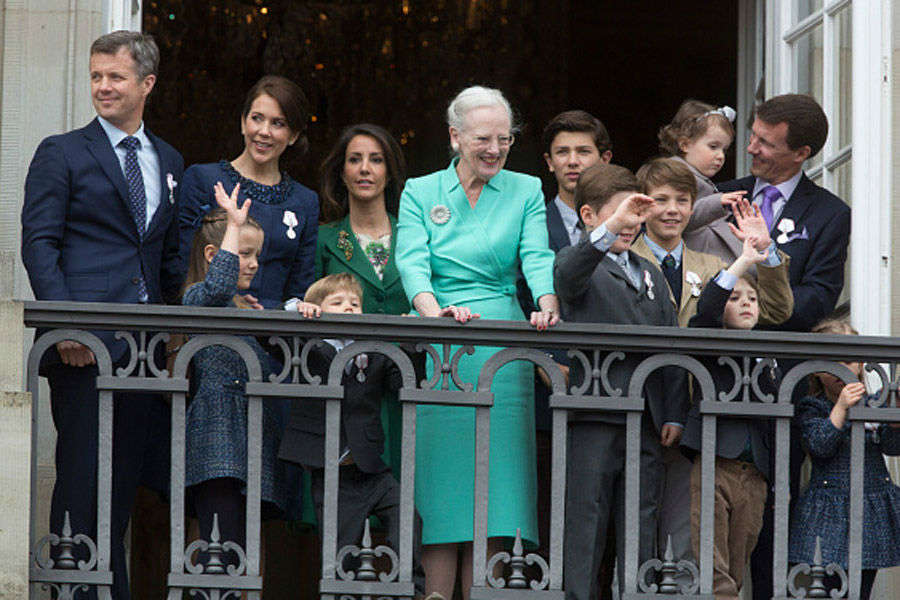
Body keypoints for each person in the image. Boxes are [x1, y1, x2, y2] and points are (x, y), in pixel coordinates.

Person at [21, 31, 183, 599]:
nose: (103, 87)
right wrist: (66, 324)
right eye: (95, 76)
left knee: (122, 489)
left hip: (141, 351)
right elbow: (39, 244)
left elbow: (164, 259)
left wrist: (171, 337)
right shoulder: (61, 152)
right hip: (82, 347)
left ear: (147, 83)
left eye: (115, 76)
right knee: (83, 480)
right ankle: (74, 592)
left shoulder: (169, 159)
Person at [682, 94, 851, 599]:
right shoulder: (720, 196)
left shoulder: (829, 213)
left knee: (767, 522)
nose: (750, 147)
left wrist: (761, 287)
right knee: (699, 527)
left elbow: (819, 299)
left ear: (801, 152)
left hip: (780, 391)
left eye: (765, 142)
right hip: (710, 385)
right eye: (751, 135)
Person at [395, 85, 559, 600]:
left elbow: (536, 256)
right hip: (444, 341)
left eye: (504, 139)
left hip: (503, 343)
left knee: (497, 489)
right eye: (483, 139)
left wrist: (548, 299)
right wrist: (432, 313)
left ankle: (485, 592)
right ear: (455, 137)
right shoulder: (421, 191)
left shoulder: (527, 188)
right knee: (444, 490)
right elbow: (411, 261)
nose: (494, 149)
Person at [630, 157, 793, 580]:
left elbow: (773, 308)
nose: (671, 209)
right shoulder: (623, 256)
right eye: (660, 199)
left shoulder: (712, 264)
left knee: (691, 535)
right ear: (642, 205)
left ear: (692, 207)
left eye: (682, 200)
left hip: (701, 416)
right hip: (637, 402)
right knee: (631, 523)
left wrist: (766, 251)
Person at [553, 163, 688, 600]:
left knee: (640, 521)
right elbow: (568, 274)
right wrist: (610, 228)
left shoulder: (647, 270)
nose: (632, 224)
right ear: (589, 215)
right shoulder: (579, 264)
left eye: (636, 214)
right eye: (622, 214)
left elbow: (668, 346)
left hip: (646, 419)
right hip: (595, 412)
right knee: (586, 522)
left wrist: (672, 412)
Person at [279, 272, 425, 596]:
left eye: (355, 303)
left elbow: (405, 383)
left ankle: (410, 590)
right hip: (333, 475)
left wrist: (411, 342)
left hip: (372, 469)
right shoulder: (309, 347)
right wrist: (297, 310)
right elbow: (272, 338)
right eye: (337, 302)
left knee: (406, 516)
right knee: (341, 552)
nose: (348, 308)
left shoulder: (372, 352)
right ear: (316, 309)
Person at [516, 109, 613, 573]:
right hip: (540, 388)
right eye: (562, 152)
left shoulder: (625, 224)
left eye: (584, 151)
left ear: (605, 158)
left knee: (599, 516)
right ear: (548, 162)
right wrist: (545, 360)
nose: (573, 161)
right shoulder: (530, 219)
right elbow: (513, 293)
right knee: (542, 505)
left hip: (608, 390)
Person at [180, 183, 290, 571]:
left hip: (246, 442)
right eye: (244, 254)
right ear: (214, 255)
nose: (254, 263)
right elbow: (218, 285)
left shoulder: (243, 305)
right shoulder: (197, 296)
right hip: (216, 440)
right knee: (216, 548)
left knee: (238, 552)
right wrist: (234, 223)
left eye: (256, 255)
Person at [682, 237, 778, 600]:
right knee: (711, 549)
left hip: (755, 472)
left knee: (741, 551)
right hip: (716, 459)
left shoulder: (769, 353)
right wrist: (742, 263)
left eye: (752, 299)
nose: (746, 304)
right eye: (736, 299)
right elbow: (705, 310)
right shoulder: (711, 339)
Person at [313, 123, 409, 483]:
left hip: (405, 387)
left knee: (403, 500)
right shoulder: (325, 238)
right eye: (355, 160)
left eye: (376, 160)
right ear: (342, 171)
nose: (365, 169)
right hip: (346, 392)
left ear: (390, 171)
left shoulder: (415, 234)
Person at [178, 75, 318, 308]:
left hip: (278, 334)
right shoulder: (204, 180)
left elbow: (301, 286)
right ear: (243, 123)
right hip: (213, 326)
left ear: (293, 135)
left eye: (278, 123)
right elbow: (183, 265)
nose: (264, 131)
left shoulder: (304, 201)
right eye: (257, 118)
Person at [788, 319, 900, 600]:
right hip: (828, 510)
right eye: (832, 362)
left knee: (859, 588)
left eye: (849, 360)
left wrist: (895, 419)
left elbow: (891, 446)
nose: (842, 368)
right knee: (822, 588)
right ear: (816, 369)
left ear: (861, 364)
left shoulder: (876, 403)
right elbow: (819, 445)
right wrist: (840, 408)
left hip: (869, 507)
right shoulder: (813, 406)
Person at [658, 99, 748, 236]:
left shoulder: (697, 176)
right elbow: (674, 218)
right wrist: (716, 202)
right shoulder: (672, 174)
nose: (721, 156)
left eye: (724, 150)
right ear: (685, 145)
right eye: (713, 147)